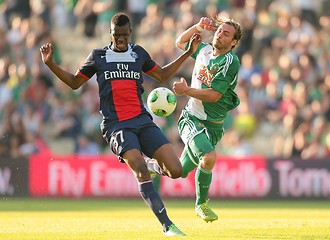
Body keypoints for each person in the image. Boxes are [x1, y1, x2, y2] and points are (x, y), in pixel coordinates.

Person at [40, 12, 200, 237]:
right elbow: (75, 83)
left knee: (176, 170)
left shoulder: (139, 54)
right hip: (116, 125)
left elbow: (162, 75)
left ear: (130, 33)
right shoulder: (98, 56)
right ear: (110, 33)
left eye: (124, 35)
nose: (121, 39)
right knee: (139, 167)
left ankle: (154, 167)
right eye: (117, 35)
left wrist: (188, 53)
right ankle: (167, 225)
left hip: (142, 120)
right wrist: (50, 65)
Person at [173, 16, 242, 222]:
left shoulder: (230, 62)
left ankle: (154, 167)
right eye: (220, 30)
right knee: (209, 157)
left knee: (178, 171)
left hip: (213, 127)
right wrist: (197, 26)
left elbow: (214, 95)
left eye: (226, 34)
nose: (220, 35)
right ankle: (201, 205)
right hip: (192, 118)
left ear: (234, 43)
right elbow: (180, 43)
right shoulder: (203, 50)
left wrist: (186, 90)